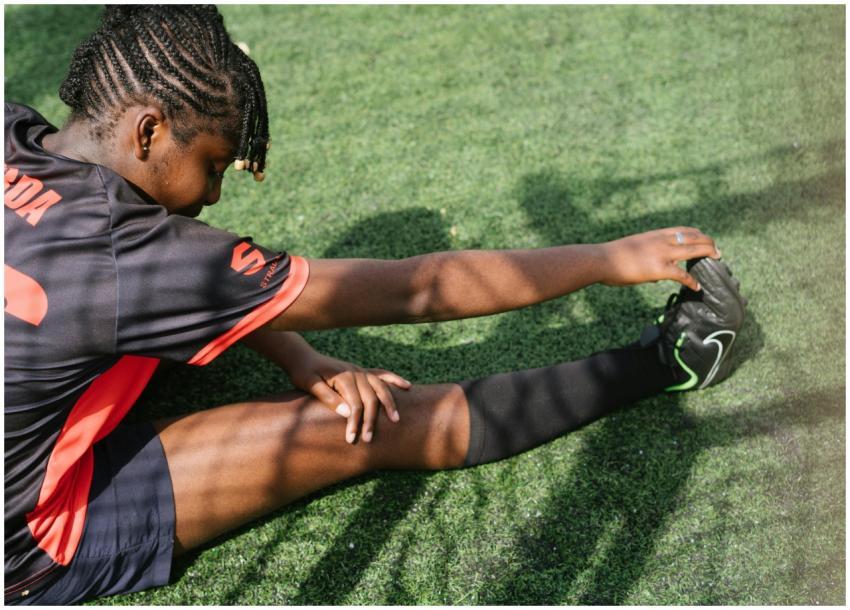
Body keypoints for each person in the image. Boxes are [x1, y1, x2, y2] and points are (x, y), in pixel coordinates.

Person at [3, 5, 747, 605]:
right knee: (369, 424)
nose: (213, 195)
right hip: (30, 539)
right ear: (148, 130)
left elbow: (173, 282)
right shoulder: (142, 258)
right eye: (213, 165)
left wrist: (301, 353)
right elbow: (416, 288)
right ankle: (668, 361)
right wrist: (604, 260)